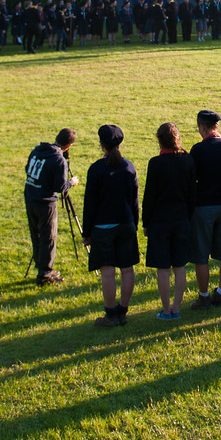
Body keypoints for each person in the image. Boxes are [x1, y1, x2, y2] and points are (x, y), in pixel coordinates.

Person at [83, 124, 139, 327]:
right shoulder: (128, 167)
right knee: (127, 269)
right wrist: (135, 223)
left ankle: (110, 313)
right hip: (126, 224)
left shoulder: (96, 169)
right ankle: (123, 310)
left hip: (102, 227)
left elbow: (90, 203)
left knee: (108, 272)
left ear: (101, 145)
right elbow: (135, 201)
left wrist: (87, 232)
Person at [143, 122, 196, 319]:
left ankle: (166, 310)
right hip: (181, 217)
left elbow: (150, 196)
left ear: (159, 140)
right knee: (180, 266)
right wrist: (189, 216)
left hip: (160, 220)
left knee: (163, 268)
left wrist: (146, 222)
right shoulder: (188, 160)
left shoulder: (155, 164)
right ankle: (177, 307)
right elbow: (192, 193)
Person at [188, 110, 221, 309]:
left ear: (202, 126)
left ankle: (204, 295)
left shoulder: (198, 150)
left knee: (201, 254)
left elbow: (192, 179)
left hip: (203, 205)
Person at [24, 128, 78, 286]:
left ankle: (41, 266)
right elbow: (60, 187)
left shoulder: (37, 150)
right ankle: (45, 274)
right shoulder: (58, 159)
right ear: (68, 146)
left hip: (30, 196)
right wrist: (71, 183)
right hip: (45, 202)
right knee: (48, 237)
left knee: (36, 235)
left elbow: (28, 170)